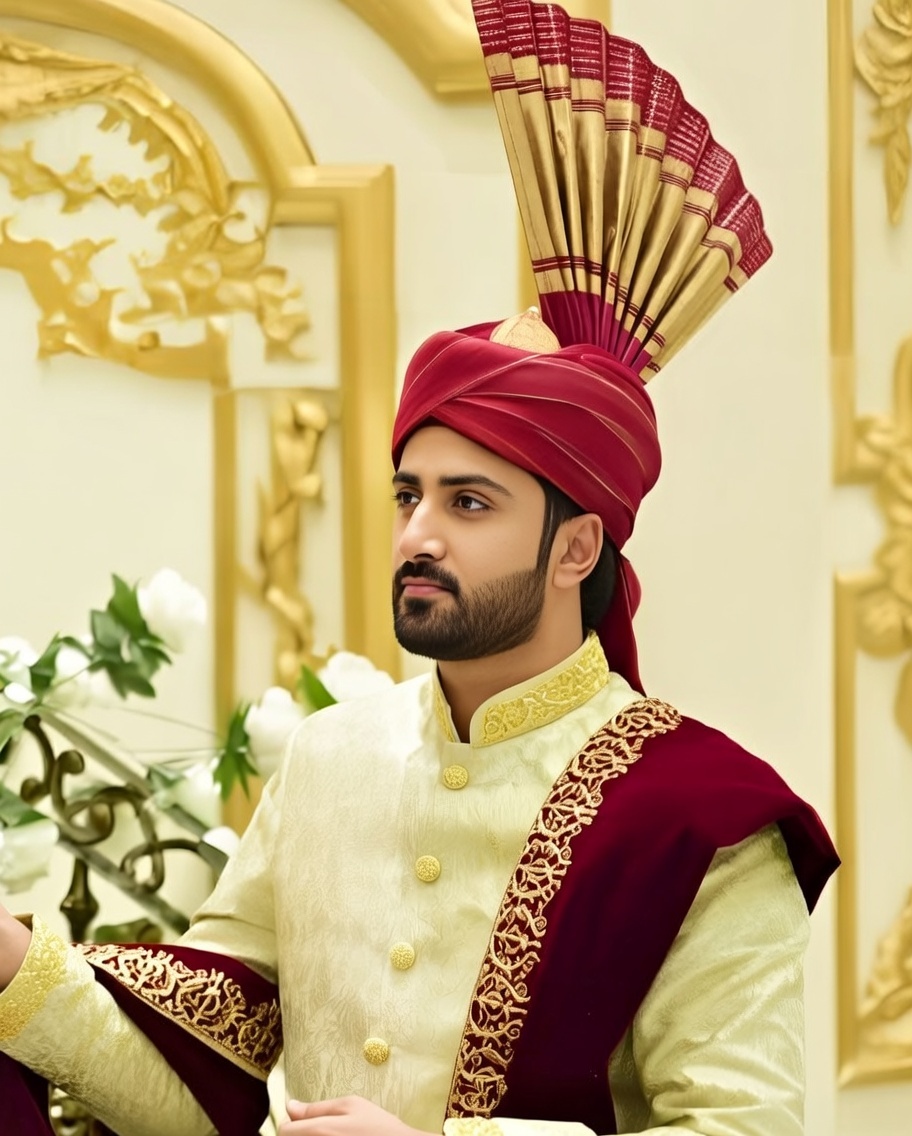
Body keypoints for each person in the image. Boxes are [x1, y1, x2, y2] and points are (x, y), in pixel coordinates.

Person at [0, 2, 839, 1134]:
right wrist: (17, 969)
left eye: (469, 502)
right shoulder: (331, 760)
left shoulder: (702, 818)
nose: (418, 536)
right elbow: (197, 1083)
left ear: (576, 546)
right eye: (409, 494)